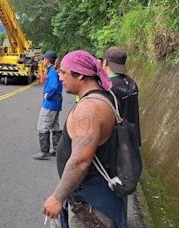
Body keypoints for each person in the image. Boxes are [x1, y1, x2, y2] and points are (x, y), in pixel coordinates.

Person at [42, 50, 127, 227]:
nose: (60, 78)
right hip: (96, 195)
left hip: (90, 204)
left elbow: (81, 161)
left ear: (80, 74)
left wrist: (57, 197)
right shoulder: (105, 96)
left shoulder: (88, 109)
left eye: (64, 72)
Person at [103, 47, 141, 145]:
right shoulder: (132, 82)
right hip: (133, 137)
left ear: (105, 62)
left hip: (116, 141)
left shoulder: (108, 85)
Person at [32, 50, 63, 160]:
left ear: (46, 60)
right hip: (56, 103)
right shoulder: (52, 71)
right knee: (55, 126)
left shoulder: (52, 73)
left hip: (50, 104)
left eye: (43, 59)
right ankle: (56, 149)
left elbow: (54, 87)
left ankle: (44, 152)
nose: (43, 61)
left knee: (43, 125)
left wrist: (47, 96)